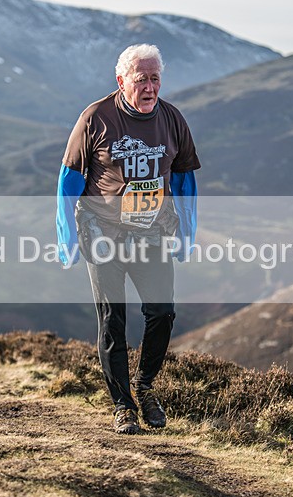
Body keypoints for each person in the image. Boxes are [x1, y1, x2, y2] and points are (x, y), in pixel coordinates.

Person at [55, 43, 200, 434]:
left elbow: (185, 177)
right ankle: (122, 406)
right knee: (112, 320)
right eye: (142, 79)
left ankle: (145, 386)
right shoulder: (96, 118)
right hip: (103, 234)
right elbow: (68, 181)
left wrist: (187, 231)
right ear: (122, 81)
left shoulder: (172, 119)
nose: (150, 86)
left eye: (156, 78)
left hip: (152, 233)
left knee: (162, 314)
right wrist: (67, 235)